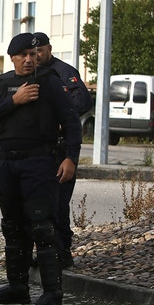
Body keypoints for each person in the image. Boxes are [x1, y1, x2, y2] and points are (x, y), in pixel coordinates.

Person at [0, 33, 82, 305]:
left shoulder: (49, 83)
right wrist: (15, 101)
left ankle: (52, 292)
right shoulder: (0, 85)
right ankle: (18, 287)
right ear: (11, 57)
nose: (28, 59)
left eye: (32, 54)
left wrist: (71, 158)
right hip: (9, 164)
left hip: (40, 162)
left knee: (42, 227)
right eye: (22, 55)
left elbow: (72, 123)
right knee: (13, 227)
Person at [33, 32, 94, 269]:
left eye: (40, 50)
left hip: (62, 147)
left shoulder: (65, 72)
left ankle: (63, 252)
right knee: (40, 205)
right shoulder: (31, 73)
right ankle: (47, 251)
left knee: (58, 204)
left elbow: (83, 102)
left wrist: (60, 115)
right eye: (32, 52)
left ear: (49, 48)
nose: (36, 56)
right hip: (39, 149)